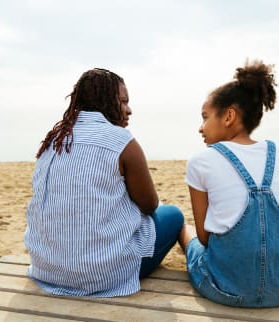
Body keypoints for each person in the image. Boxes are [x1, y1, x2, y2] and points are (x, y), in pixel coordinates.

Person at [24, 68, 184, 297]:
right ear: (106, 100)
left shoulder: (55, 139)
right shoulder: (122, 140)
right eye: (123, 101)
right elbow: (149, 205)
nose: (129, 109)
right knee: (174, 215)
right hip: (101, 275)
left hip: (47, 270)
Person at [179, 60, 279, 307]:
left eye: (205, 117)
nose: (200, 128)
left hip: (225, 290)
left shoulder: (201, 161)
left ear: (228, 116)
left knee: (187, 233)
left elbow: (205, 239)